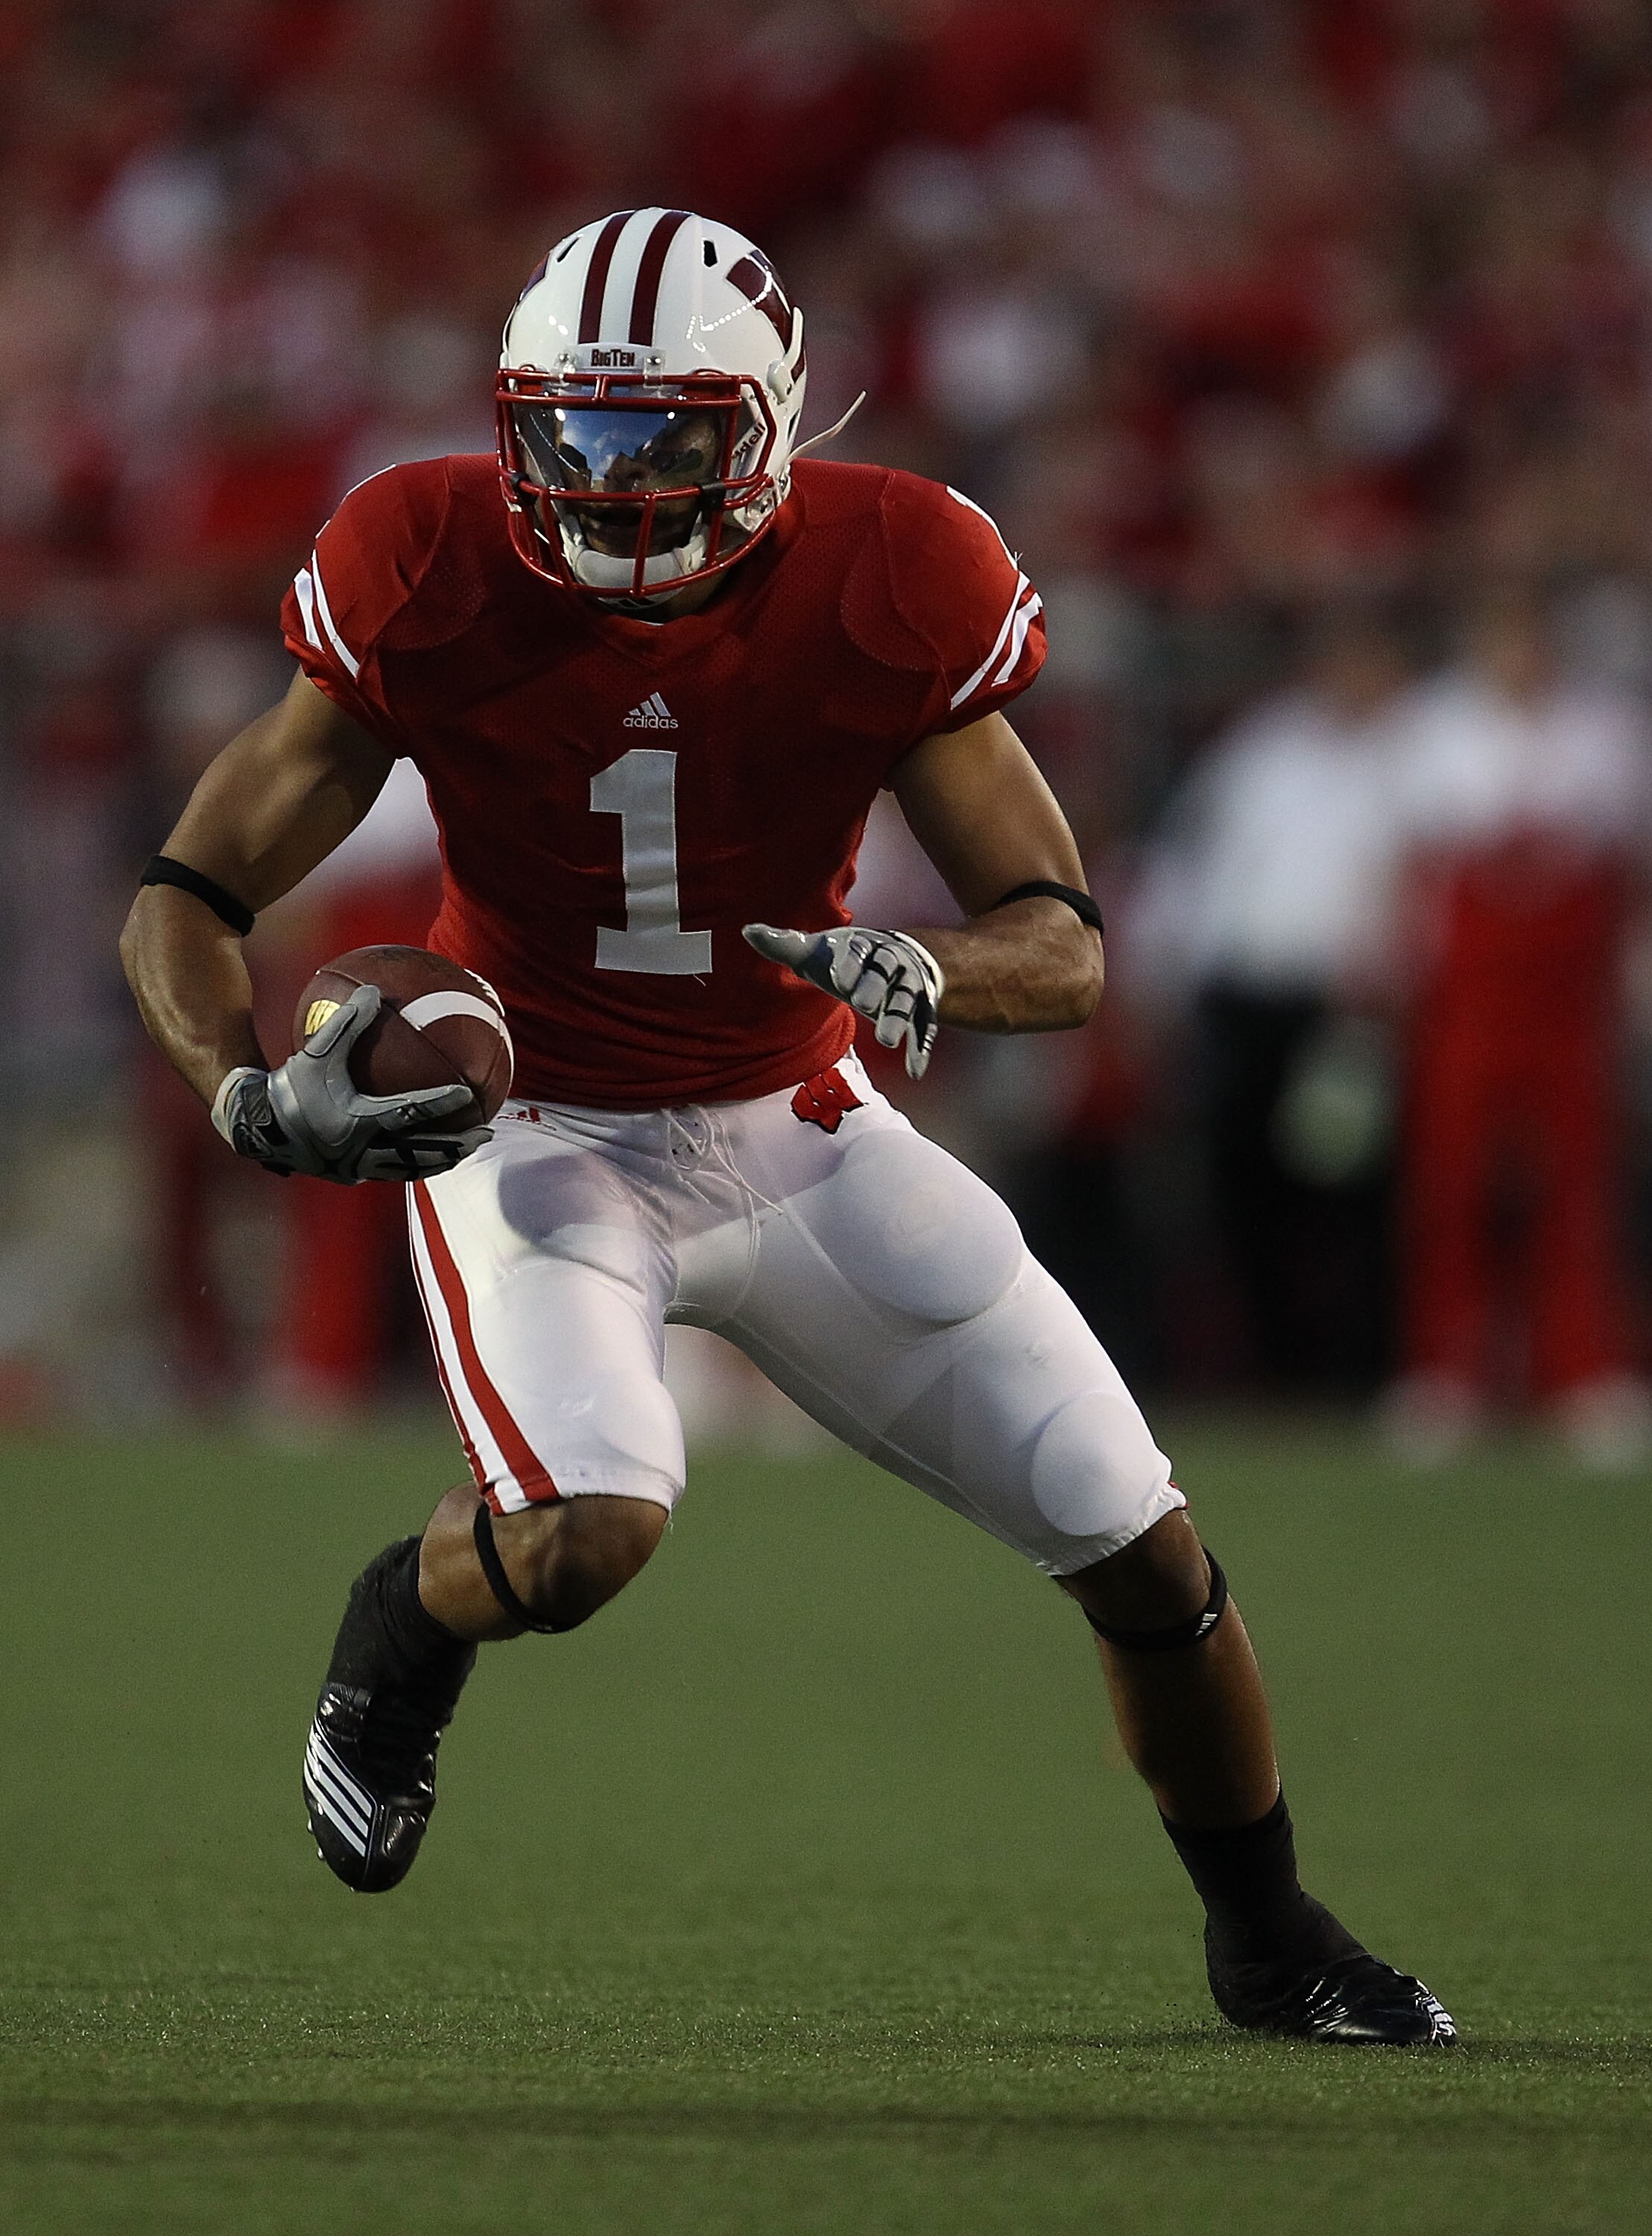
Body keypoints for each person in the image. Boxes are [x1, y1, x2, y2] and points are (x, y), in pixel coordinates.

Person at [121, 209, 1452, 2046]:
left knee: (1133, 1536)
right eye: (570, 433)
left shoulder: (900, 566)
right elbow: (185, 888)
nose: (608, 480)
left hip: (799, 1113)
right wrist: (236, 1084)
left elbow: (1057, 941)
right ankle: (407, 1621)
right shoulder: (421, 557)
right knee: (590, 1529)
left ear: (765, 426)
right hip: (541, 1127)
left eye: (660, 433)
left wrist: (925, 970)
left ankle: (1268, 1936)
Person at [1381, 583, 1651, 1467]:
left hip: (1564, 1007)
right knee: (1450, 1188)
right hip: (1469, 1001)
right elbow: (1406, 870)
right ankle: (1448, 1375)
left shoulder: (1602, 737)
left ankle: (1579, 1375)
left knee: (1575, 1190)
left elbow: (1628, 877)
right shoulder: (1435, 732)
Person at [1135, 601, 1415, 1392]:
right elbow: (1199, 863)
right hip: (1244, 1001)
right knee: (1244, 1191)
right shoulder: (1265, 751)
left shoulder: (1409, 757)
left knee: (1347, 1191)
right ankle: (1266, 1373)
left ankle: (1354, 1373)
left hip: (1343, 1007)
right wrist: (1175, 977)